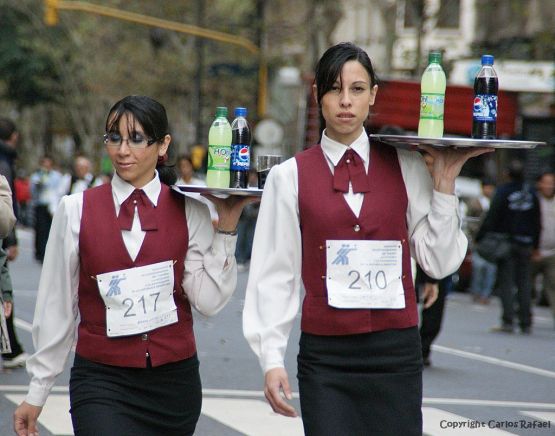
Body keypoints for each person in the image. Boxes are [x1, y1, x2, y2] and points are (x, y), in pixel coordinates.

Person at [242, 42, 491, 435]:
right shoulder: (289, 176)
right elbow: (276, 274)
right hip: (327, 358)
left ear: (373, 95)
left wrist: (444, 185)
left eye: (357, 89)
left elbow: (440, 263)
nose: (345, 101)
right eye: (334, 89)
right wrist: (270, 358)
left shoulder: (407, 165)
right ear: (317, 95)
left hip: (396, 355)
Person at [13, 95, 256, 436]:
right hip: (101, 381)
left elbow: (209, 302)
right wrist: (37, 392)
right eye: (114, 138)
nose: (123, 150)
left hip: (173, 386)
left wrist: (228, 228)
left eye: (137, 139)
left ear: (163, 146)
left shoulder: (193, 210)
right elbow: (56, 308)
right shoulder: (75, 210)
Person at [477, 160, 541, 334]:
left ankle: (508, 320)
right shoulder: (531, 193)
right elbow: (537, 221)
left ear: (507, 174)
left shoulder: (503, 191)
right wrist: (536, 245)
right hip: (526, 243)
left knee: (506, 282)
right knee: (525, 282)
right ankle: (526, 321)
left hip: (506, 242)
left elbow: (492, 216)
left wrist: (480, 236)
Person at [0, 119, 27, 368]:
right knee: (3, 293)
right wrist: (11, 239)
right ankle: (10, 348)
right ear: (14, 136)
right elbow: (5, 210)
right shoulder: (4, 160)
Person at [531, 170, 555, 328]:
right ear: (539, 183)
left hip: (552, 253)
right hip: (533, 252)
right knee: (527, 286)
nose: (549, 185)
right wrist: (533, 248)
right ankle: (524, 317)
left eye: (551, 182)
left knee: (552, 286)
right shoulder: (533, 200)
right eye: (546, 182)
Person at [29, 155, 64, 263]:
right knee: (40, 229)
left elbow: (60, 190)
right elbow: (32, 190)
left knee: (51, 229)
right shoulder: (36, 176)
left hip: (52, 206)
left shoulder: (57, 176)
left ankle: (51, 252)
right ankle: (40, 252)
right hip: (41, 205)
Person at [468, 178, 497, 304]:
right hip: (478, 239)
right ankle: (476, 292)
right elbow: (469, 220)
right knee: (478, 268)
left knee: (490, 269)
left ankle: (486, 294)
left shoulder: (495, 202)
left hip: (492, 240)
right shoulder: (475, 202)